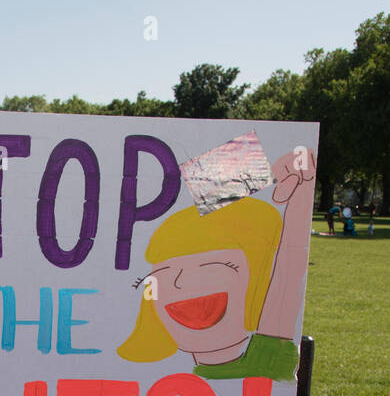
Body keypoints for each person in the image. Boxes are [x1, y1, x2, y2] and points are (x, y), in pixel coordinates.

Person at [117, 148, 315, 383]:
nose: (180, 282)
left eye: (211, 267)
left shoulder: (269, 358)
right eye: (163, 273)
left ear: (260, 280)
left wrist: (293, 190)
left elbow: (286, 274)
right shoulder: (138, 373)